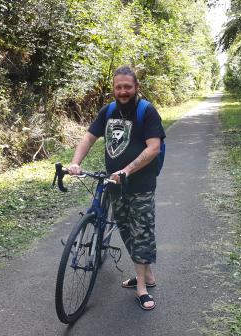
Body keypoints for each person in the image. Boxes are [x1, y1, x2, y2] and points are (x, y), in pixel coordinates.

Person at [68, 65, 165, 311]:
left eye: (127, 87)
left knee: (141, 232)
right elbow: (89, 137)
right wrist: (75, 162)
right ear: (113, 88)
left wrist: (127, 170)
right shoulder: (108, 111)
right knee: (126, 231)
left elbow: (153, 148)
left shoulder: (147, 111)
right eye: (118, 87)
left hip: (141, 184)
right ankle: (148, 275)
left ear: (136, 88)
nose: (123, 91)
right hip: (114, 183)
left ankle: (142, 287)